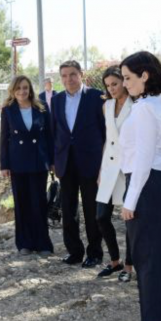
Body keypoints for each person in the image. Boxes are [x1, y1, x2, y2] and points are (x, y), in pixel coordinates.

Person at [115, 51, 161, 321]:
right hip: (157, 183)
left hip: (146, 184)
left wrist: (130, 201)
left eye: (127, 78)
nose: (124, 84)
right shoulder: (153, 105)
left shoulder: (143, 110)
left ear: (144, 76)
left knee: (147, 260)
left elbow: (141, 160)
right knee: (158, 257)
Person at [51, 60, 106, 268]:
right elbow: (54, 131)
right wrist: (54, 161)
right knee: (68, 209)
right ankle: (74, 251)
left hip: (90, 162)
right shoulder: (56, 100)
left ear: (81, 75)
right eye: (64, 76)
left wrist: (104, 163)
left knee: (92, 210)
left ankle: (95, 253)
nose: (68, 79)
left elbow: (104, 130)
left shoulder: (95, 97)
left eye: (72, 74)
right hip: (65, 162)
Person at [0, 75, 55, 256]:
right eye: (18, 89)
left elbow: (49, 136)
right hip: (18, 163)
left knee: (38, 203)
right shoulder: (8, 110)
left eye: (25, 87)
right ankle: (24, 243)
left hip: (39, 162)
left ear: (30, 89)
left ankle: (43, 243)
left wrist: (52, 161)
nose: (22, 91)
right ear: (13, 91)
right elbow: (4, 140)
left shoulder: (41, 108)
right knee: (22, 203)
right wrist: (4, 165)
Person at [95, 66, 134, 281]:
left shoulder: (136, 105)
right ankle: (114, 261)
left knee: (130, 220)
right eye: (108, 85)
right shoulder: (106, 106)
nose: (111, 89)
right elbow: (107, 141)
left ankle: (129, 266)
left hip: (128, 168)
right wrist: (101, 169)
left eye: (115, 84)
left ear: (124, 82)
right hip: (109, 167)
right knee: (101, 216)